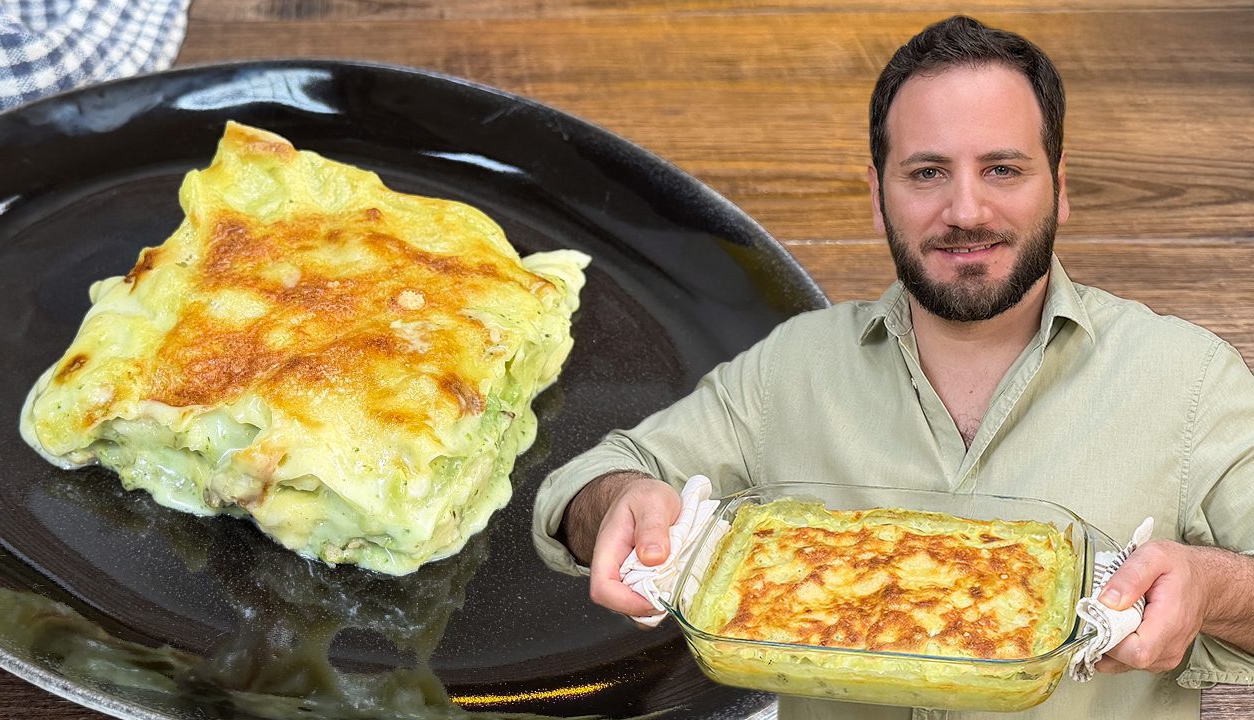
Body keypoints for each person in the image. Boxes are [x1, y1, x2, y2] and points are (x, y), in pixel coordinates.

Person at [531, 14, 1254, 720]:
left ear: (1059, 186)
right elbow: (585, 486)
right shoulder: (793, 366)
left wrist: (1210, 587)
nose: (965, 210)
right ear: (877, 196)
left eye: (1003, 168)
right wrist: (619, 500)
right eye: (927, 172)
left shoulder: (1188, 380)